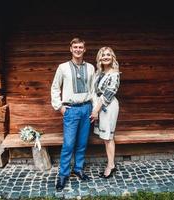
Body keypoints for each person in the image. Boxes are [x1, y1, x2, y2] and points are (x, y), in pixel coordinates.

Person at [51, 38, 95, 191]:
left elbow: (93, 90)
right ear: (70, 49)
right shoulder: (62, 67)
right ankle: (63, 174)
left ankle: (78, 168)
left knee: (82, 143)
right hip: (71, 110)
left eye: (80, 47)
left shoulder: (90, 67)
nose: (78, 49)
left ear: (84, 49)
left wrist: (94, 109)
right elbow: (55, 87)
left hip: (86, 108)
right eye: (75, 47)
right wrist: (60, 107)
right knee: (69, 144)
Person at [90, 46, 120, 178]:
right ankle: (111, 163)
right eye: (103, 55)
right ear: (99, 58)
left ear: (112, 57)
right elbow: (94, 91)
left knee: (108, 137)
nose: (106, 57)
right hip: (99, 106)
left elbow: (109, 93)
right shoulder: (98, 73)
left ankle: (111, 165)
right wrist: (94, 107)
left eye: (108, 55)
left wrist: (96, 110)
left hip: (108, 106)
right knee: (105, 138)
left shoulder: (114, 73)